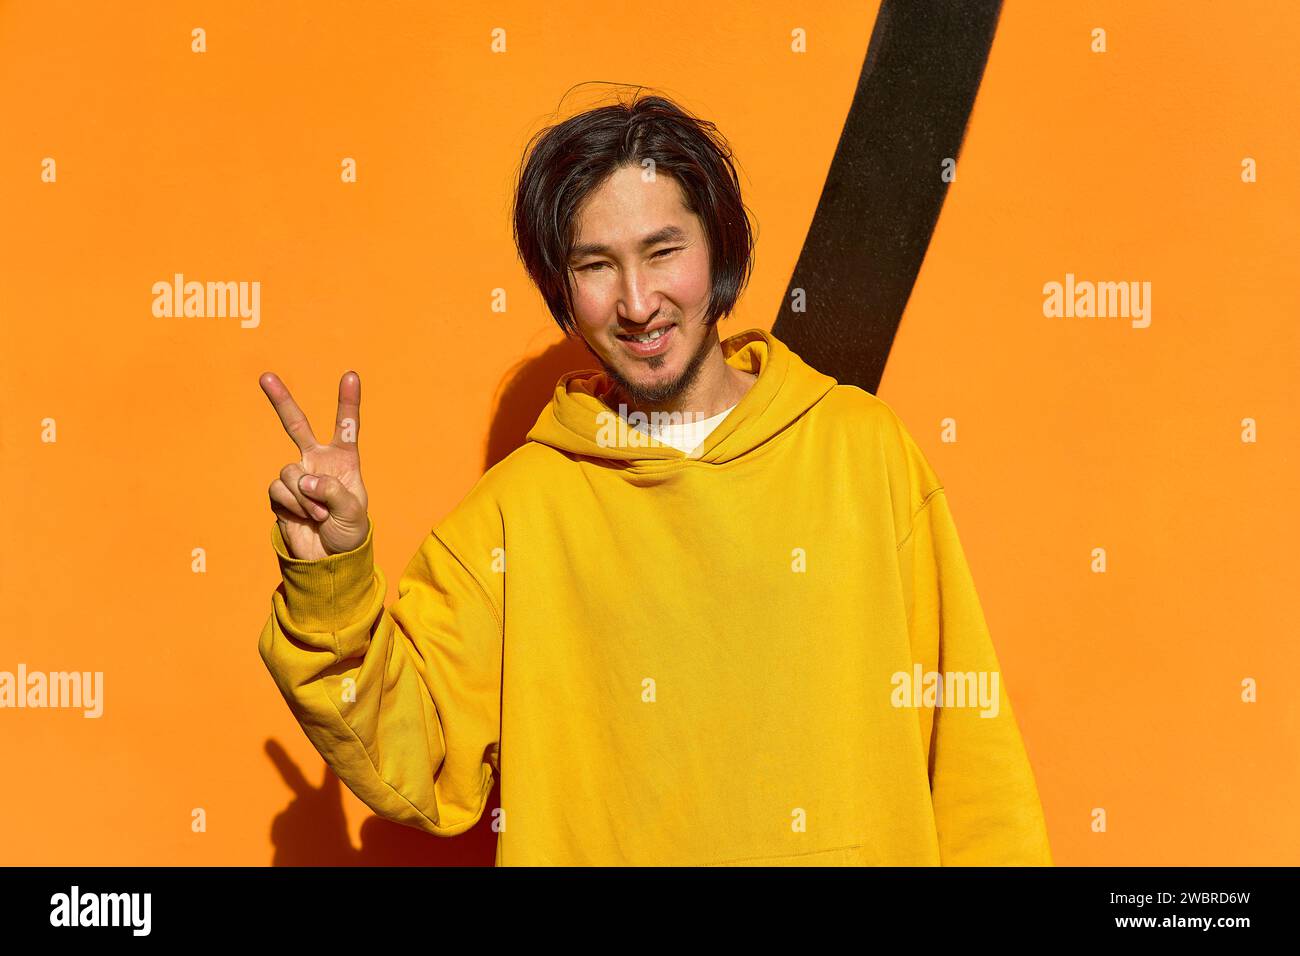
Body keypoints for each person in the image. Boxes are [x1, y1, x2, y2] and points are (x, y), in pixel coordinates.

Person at [256, 90, 1053, 866]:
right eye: (597, 266)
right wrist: (331, 575)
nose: (637, 303)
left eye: (663, 251)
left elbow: (969, 754)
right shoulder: (518, 513)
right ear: (563, 292)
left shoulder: (861, 451)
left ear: (721, 250)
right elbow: (420, 756)